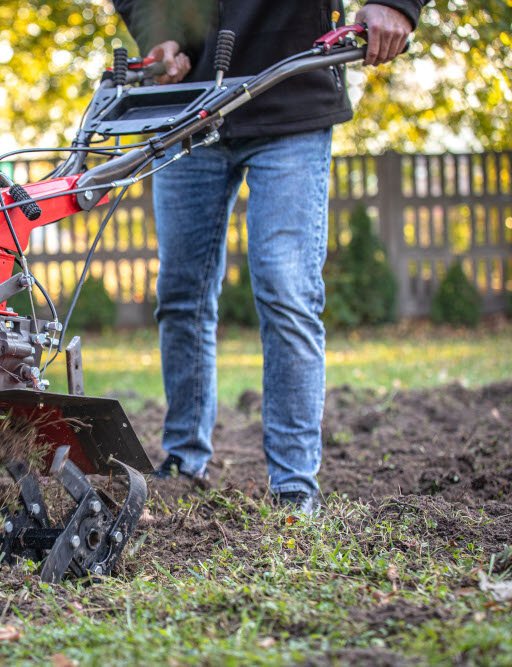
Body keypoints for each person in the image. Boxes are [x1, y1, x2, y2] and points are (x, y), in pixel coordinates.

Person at [111, 0, 426, 514]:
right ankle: (184, 460)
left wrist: (396, 4)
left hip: (290, 91)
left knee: (286, 288)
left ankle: (293, 481)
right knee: (180, 294)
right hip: (188, 104)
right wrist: (159, 33)